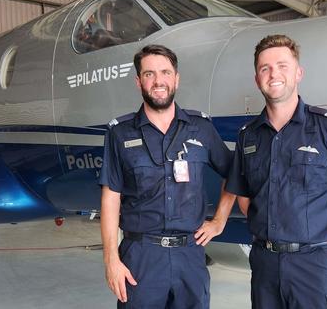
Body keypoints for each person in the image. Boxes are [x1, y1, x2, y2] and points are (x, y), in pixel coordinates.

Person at [226, 34, 327, 309]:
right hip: (265, 265)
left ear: (298, 73)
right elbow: (246, 197)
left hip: (315, 265)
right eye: (265, 68)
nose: (274, 74)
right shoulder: (248, 136)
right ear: (257, 78)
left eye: (283, 65)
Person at [99, 44, 235, 308]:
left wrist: (219, 221)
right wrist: (111, 260)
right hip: (141, 257)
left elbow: (233, 173)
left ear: (176, 78)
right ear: (139, 81)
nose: (158, 81)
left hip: (190, 255)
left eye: (165, 72)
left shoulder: (201, 128)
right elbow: (110, 198)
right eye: (149, 74)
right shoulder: (120, 133)